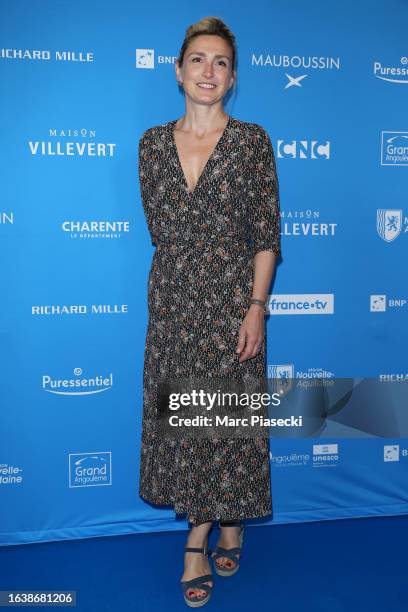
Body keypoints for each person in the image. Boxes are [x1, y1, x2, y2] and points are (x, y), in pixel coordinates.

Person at [138, 16, 281, 608]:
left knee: (224, 423)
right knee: (188, 421)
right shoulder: (149, 144)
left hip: (231, 301)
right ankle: (224, 520)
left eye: (220, 62)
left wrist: (256, 308)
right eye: (198, 59)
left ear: (233, 77)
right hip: (174, 301)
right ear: (178, 70)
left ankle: (200, 538)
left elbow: (265, 236)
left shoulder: (252, 141)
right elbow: (163, 231)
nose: (208, 71)